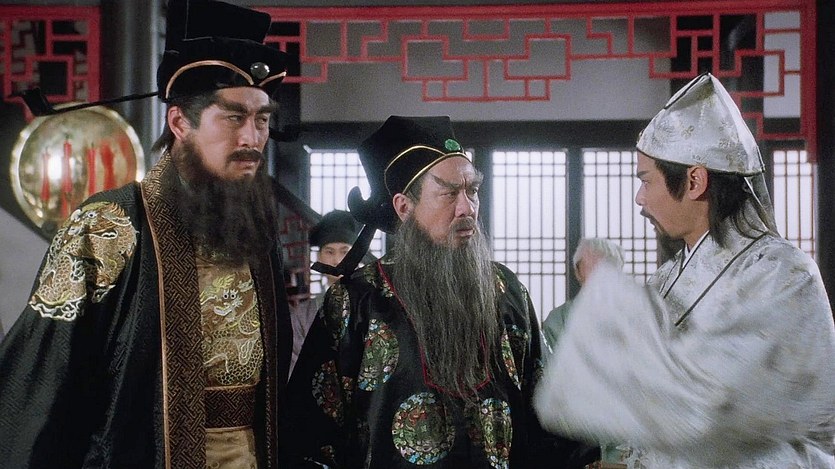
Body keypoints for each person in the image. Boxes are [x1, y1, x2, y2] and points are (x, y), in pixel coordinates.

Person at [0, 1, 293, 467]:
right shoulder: (108, 224)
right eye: (234, 117)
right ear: (180, 122)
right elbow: (43, 374)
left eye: (262, 119)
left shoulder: (254, 228)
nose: (252, 139)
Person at [534, 72, 835, 468]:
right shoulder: (665, 280)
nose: (639, 198)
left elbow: (712, 408)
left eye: (646, 181)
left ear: (694, 181)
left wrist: (611, 301)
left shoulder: (783, 275)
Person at [281, 116, 597, 468]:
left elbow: (549, 412)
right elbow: (310, 436)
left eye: (472, 191)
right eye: (449, 193)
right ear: (404, 207)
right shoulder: (355, 302)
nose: (467, 208)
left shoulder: (507, 291)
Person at [290, 209, 360, 374]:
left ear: (357, 256)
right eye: (329, 252)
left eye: (345, 252)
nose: (337, 260)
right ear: (319, 258)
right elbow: (295, 372)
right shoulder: (302, 315)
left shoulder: (374, 307)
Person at [541, 238, 625, 352]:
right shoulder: (558, 319)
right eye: (591, 267)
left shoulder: (634, 316)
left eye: (606, 267)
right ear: (578, 272)